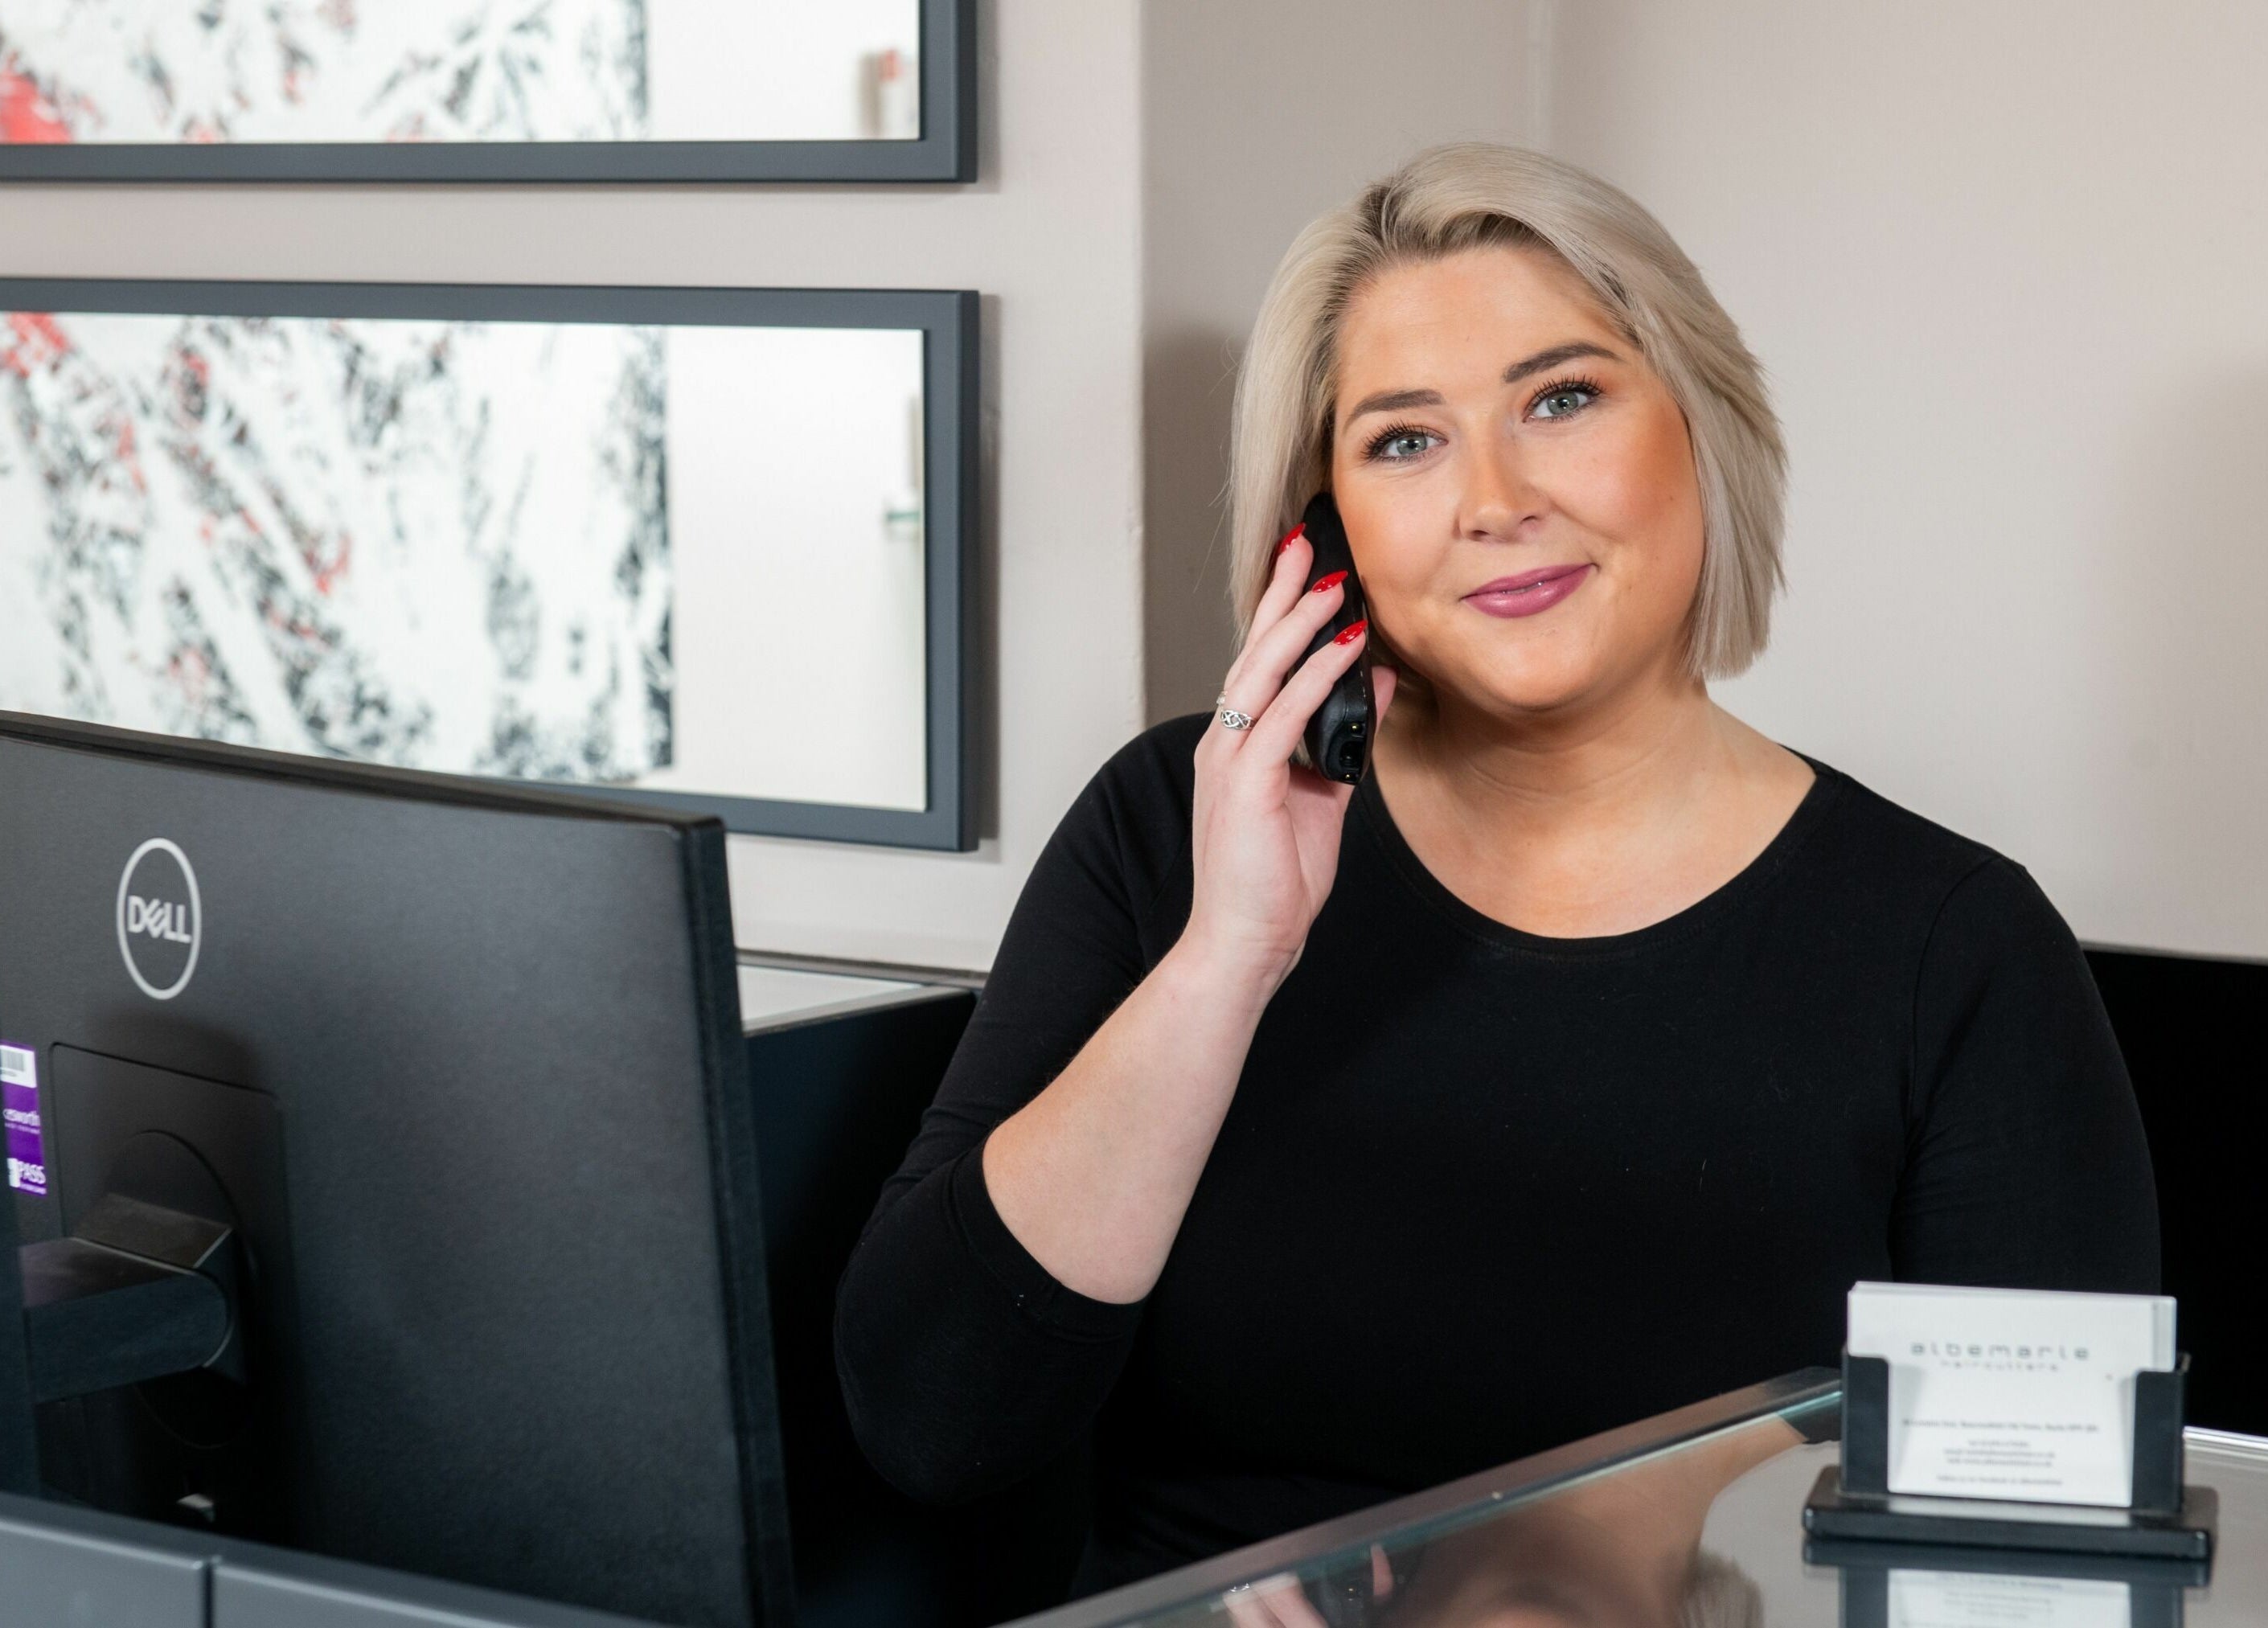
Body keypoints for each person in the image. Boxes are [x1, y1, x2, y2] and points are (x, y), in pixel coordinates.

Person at [834, 141, 2159, 1598]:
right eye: (1404, 439)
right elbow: (932, 1422)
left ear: (1701, 430)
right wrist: (1227, 959)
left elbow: (2043, 1571)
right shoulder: (1174, 830)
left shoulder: (1951, 952)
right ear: (1322, 535)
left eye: (1562, 398)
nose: (1493, 496)